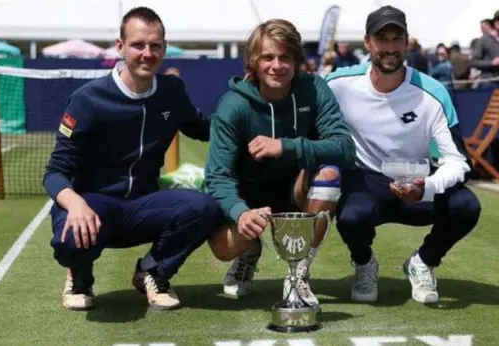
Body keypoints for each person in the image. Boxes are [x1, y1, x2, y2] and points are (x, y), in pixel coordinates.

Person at [44, 7, 224, 311]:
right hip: (95, 205)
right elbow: (54, 172)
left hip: (144, 206)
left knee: (206, 208)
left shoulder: (172, 91)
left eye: (155, 46)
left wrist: (246, 111)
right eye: (138, 45)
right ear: (120, 47)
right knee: (69, 238)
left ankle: (152, 271)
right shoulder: (87, 99)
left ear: (164, 49)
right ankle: (80, 275)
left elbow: (205, 129)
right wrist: (76, 204)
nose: (147, 53)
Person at [326, 5, 481, 304]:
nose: (390, 47)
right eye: (382, 39)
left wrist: (428, 186)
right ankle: (364, 264)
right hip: (367, 182)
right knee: (350, 216)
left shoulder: (433, 92)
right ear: (368, 42)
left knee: (466, 205)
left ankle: (422, 262)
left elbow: (459, 161)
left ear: (407, 42)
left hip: (417, 182)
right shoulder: (339, 84)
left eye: (397, 39)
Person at [204, 19, 356, 309]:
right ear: (253, 62)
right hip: (249, 197)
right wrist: (240, 213)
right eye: (268, 57)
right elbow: (217, 175)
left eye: (285, 57)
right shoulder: (233, 104)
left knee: (329, 172)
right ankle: (248, 252)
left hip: (294, 193)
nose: (277, 65)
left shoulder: (314, 88)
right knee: (223, 248)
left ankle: (298, 274)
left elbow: (345, 149)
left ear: (297, 60)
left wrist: (285, 146)